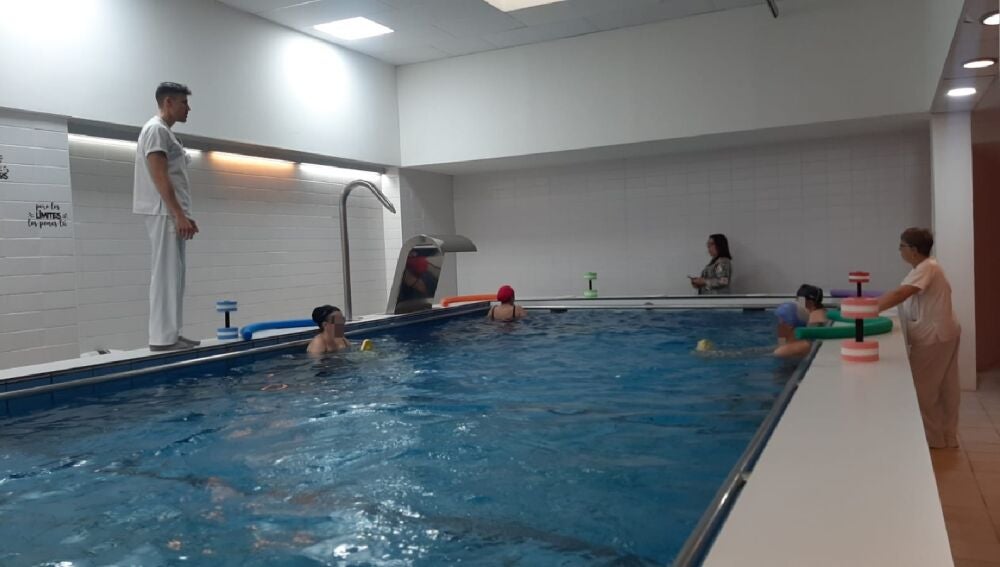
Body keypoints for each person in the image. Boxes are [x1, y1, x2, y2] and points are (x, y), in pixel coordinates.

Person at [877, 228, 961, 449]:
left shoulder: (927, 268)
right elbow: (900, 294)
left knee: (923, 389)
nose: (899, 250)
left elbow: (900, 294)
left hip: (934, 336)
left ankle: (933, 440)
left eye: (902, 246)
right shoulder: (927, 268)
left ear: (913, 250)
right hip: (944, 333)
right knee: (945, 387)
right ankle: (947, 436)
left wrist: (867, 310)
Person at [134, 82, 200, 352]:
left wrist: (184, 215)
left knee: (176, 275)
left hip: (171, 212)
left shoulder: (166, 133)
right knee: (166, 274)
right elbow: (159, 176)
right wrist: (178, 214)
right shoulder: (156, 130)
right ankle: (162, 339)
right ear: (168, 102)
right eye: (184, 102)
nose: (189, 108)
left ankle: (172, 334)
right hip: (163, 212)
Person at [774, 284, 828, 358]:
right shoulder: (824, 312)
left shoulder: (814, 318)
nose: (797, 304)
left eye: (799, 301)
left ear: (810, 303)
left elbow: (808, 345)